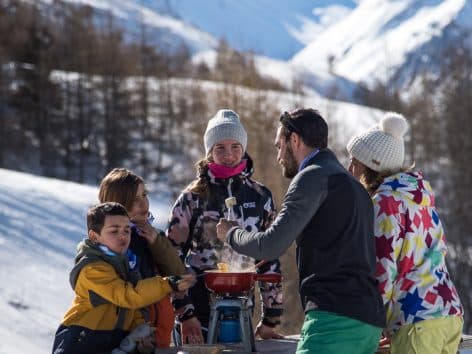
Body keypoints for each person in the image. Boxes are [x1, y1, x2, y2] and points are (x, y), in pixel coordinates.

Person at [217, 108, 386, 354]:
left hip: (334, 318)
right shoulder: (354, 185)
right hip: (368, 320)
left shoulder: (312, 177)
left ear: (293, 140)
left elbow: (271, 245)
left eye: (278, 146)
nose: (278, 157)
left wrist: (232, 234)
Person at [346, 112, 463, 354]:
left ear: (371, 166)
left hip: (416, 319)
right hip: (448, 312)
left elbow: (382, 267)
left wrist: (373, 324)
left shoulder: (385, 203)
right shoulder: (419, 196)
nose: (350, 169)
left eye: (355, 163)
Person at [166, 109, 284, 345]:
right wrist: (183, 312)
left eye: (235, 147)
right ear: (209, 151)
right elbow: (171, 257)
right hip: (197, 310)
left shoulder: (260, 196)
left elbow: (270, 256)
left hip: (241, 307)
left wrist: (271, 317)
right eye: (220, 147)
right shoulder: (193, 197)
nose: (228, 154)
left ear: (244, 149)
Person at [52, 202, 195, 354]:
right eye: (114, 231)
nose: (123, 236)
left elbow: (132, 309)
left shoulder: (125, 266)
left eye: (127, 230)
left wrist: (141, 337)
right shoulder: (92, 268)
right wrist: (168, 284)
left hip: (109, 340)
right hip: (81, 339)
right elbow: (127, 296)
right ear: (94, 236)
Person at [98, 168, 186, 348]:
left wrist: (156, 242)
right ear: (118, 203)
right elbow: (122, 293)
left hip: (157, 332)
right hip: (127, 337)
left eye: (144, 195)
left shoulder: (153, 235)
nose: (143, 203)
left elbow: (177, 274)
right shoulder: (110, 244)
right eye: (135, 199)